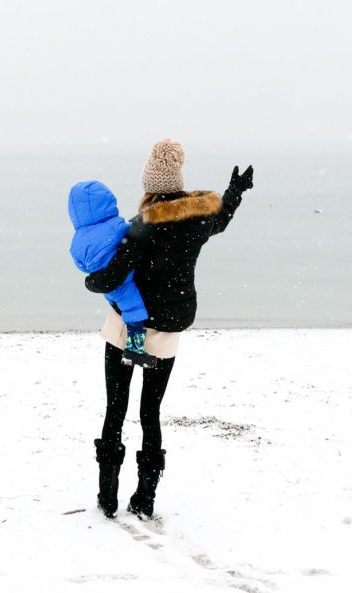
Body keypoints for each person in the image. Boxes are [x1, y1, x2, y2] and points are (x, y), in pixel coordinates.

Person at [85, 139, 253, 519]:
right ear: (177, 183)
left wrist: (90, 282)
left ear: (149, 187)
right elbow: (222, 217)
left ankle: (107, 498)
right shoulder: (198, 219)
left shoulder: (140, 228)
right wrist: (236, 191)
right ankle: (145, 499)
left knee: (115, 408)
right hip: (168, 327)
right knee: (150, 413)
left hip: (128, 325)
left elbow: (111, 276)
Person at [67, 180, 156, 368]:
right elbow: (131, 233)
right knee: (135, 310)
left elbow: (79, 263)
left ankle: (126, 342)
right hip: (124, 279)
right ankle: (135, 349)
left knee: (123, 307)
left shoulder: (78, 239)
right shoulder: (113, 226)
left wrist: (96, 266)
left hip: (103, 281)